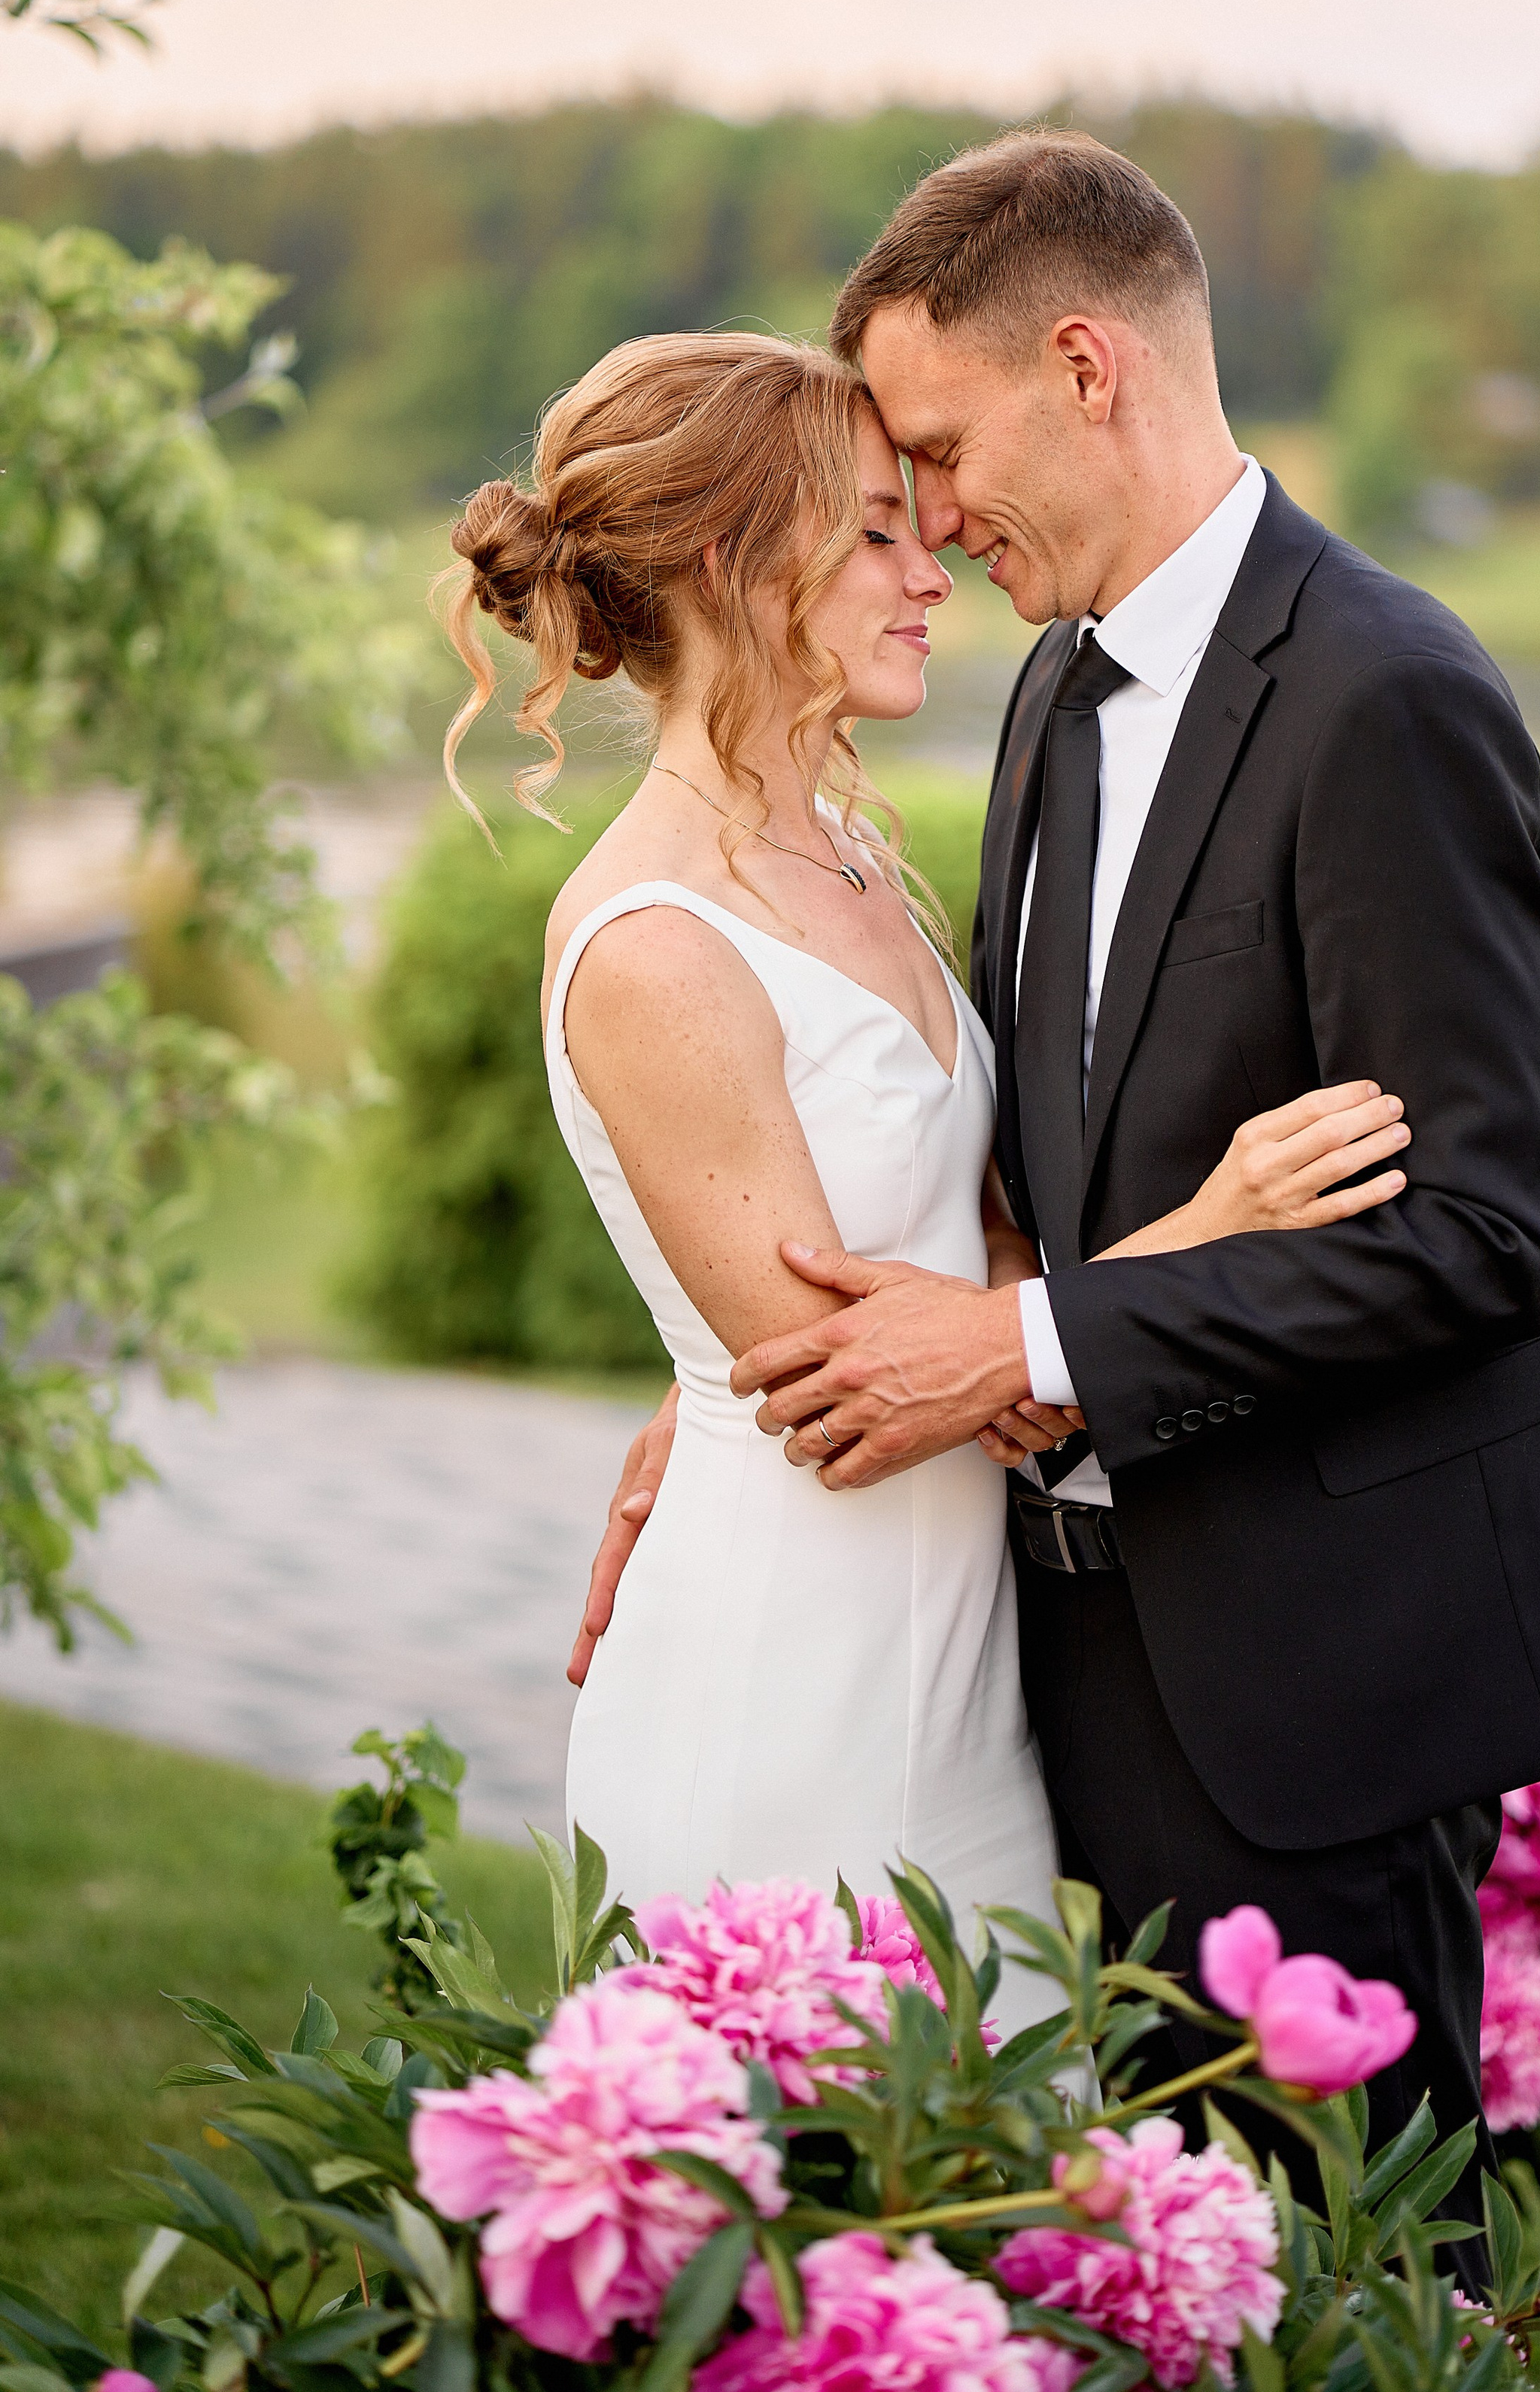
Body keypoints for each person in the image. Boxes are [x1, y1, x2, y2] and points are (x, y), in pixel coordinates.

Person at [597, 134, 1540, 2219]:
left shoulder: (1384, 697)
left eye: (935, 450)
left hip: (1316, 1676)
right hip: (1062, 1668)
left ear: (1086, 368)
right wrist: (720, 1375)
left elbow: (1486, 1238)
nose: (926, 516)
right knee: (1126, 2271)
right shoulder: (1051, 699)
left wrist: (1022, 1344)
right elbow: (1014, 1173)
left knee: (1345, 2288)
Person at [439, 329, 1410, 2001]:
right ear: (734, 564)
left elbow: (974, 1243)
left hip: (965, 1685)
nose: (930, 570)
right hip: (790, 1687)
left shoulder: (851, 858)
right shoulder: (656, 944)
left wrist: (1026, 1319)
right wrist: (1217, 1227)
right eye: (876, 532)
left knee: (997, 2134)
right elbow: (843, 1396)